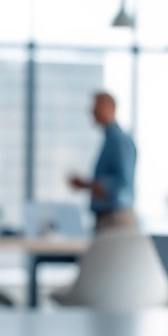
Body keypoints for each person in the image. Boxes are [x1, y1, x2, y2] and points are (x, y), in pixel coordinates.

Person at [69, 91, 138, 233]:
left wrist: (87, 184)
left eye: (95, 106)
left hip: (116, 219)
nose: (91, 111)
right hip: (108, 218)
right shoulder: (109, 139)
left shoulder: (118, 140)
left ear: (108, 107)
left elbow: (121, 181)